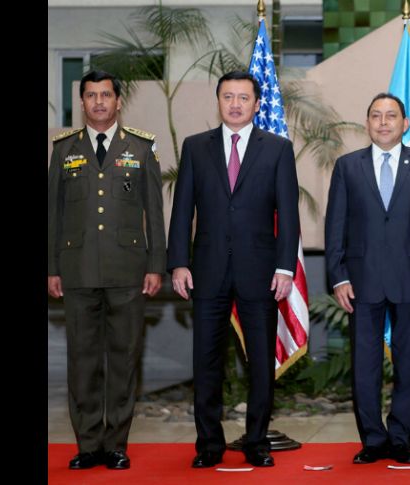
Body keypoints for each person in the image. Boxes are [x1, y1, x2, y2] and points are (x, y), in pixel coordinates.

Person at [167, 71, 299, 469]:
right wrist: (178, 262)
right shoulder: (196, 147)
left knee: (260, 362)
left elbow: (288, 214)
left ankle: (256, 442)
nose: (235, 104)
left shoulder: (277, 149)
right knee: (206, 361)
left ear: (257, 104)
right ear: (219, 101)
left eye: (243, 97)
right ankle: (209, 445)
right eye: (228, 97)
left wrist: (285, 267)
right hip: (207, 271)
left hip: (261, 271)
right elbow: (182, 210)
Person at [47, 70, 166, 470]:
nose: (99, 102)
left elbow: (155, 212)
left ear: (118, 101)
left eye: (106, 95)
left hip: (128, 272)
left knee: (123, 359)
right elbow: (53, 214)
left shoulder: (141, 147)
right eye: (91, 95)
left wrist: (156, 265)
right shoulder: (64, 150)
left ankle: (115, 444)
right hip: (77, 270)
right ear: (82, 102)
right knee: (82, 361)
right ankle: (87, 445)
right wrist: (51, 267)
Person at [325, 93, 410, 465]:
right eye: (376, 116)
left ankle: (401, 438)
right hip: (360, 281)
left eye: (391, 116)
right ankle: (373, 440)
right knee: (364, 366)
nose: (383, 122)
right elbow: (335, 227)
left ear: (405, 123)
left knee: (409, 364)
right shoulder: (348, 166)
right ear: (367, 123)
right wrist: (338, 277)